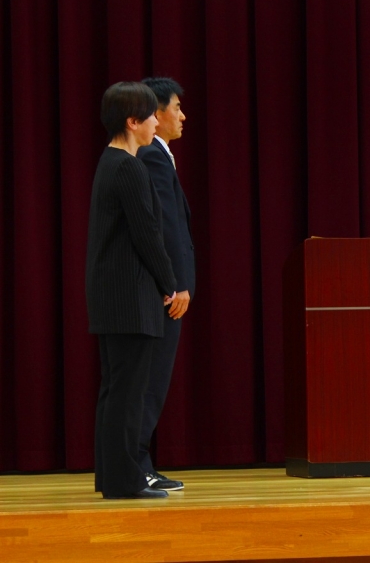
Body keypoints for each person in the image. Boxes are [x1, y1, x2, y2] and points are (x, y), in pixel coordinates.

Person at [87, 82, 177, 499]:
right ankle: (125, 482)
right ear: (132, 121)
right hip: (131, 298)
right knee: (126, 394)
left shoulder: (110, 162)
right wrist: (169, 283)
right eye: (151, 115)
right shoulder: (129, 167)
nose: (157, 122)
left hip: (111, 295)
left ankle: (111, 478)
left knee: (114, 390)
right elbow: (147, 234)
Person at [136, 77, 195, 492]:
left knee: (150, 381)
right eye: (176, 107)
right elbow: (165, 227)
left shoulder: (159, 154)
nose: (182, 116)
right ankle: (138, 465)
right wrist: (177, 285)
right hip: (164, 291)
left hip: (162, 287)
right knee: (150, 382)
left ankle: (138, 463)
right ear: (156, 112)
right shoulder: (153, 155)